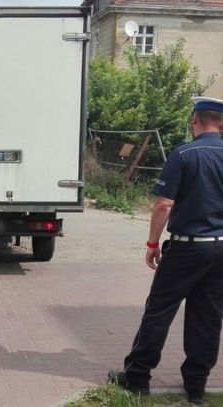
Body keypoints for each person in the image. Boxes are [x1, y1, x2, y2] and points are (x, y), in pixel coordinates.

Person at [109, 96, 223, 405]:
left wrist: (151, 243)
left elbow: (163, 204)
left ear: (194, 121)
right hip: (221, 250)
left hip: (188, 247)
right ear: (221, 123)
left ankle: (137, 378)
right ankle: (197, 388)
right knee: (208, 317)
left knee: (159, 309)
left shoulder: (184, 154)